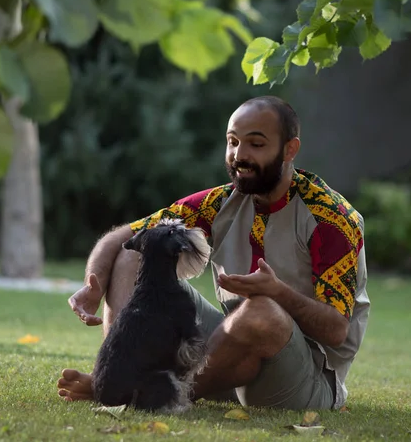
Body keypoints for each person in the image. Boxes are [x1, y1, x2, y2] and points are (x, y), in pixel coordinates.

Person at [57, 95, 370, 410]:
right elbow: (124, 238)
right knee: (134, 256)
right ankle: (120, 378)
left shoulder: (331, 219)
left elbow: (335, 330)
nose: (239, 155)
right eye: (233, 142)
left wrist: (278, 293)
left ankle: (146, 393)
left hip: (308, 380)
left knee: (260, 311)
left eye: (256, 145)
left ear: (290, 149)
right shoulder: (220, 203)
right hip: (231, 357)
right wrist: (92, 283)